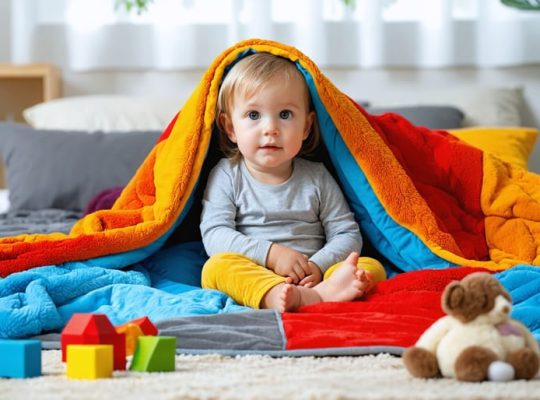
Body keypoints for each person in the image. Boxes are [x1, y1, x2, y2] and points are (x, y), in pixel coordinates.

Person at [200, 52, 385, 312]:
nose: (271, 128)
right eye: (254, 115)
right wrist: (271, 254)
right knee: (215, 268)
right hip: (258, 271)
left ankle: (317, 293)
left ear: (307, 126)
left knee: (368, 266)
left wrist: (318, 267)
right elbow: (215, 235)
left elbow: (346, 233)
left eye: (285, 114)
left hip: (315, 274)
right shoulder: (227, 174)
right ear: (230, 128)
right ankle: (276, 293)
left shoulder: (317, 176)